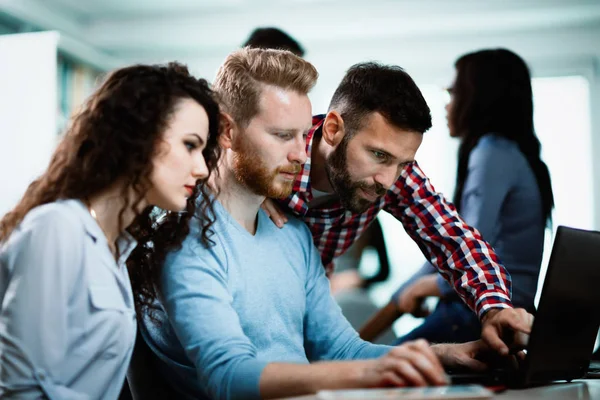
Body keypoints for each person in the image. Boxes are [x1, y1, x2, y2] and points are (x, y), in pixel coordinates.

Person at [137, 48, 489, 400]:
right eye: (281, 135)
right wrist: (369, 372)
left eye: (303, 134)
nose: (302, 153)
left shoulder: (294, 235)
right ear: (227, 132)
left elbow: (342, 351)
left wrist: (444, 355)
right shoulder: (183, 239)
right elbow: (228, 377)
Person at [261, 61, 534, 355]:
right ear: (332, 129)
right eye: (378, 154)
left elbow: (455, 240)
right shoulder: (268, 155)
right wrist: (241, 182)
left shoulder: (392, 176)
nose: (388, 180)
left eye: (402, 163)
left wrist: (494, 309)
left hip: (303, 312)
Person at [0, 62, 221, 399]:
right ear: (139, 136)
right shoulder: (58, 230)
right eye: (190, 145)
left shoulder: (118, 249)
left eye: (204, 152)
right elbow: (20, 389)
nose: (202, 167)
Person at [361, 49, 554, 345]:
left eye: (452, 92)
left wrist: (424, 287)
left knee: (384, 363)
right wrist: (411, 291)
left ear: (478, 98)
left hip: (478, 312)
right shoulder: (516, 156)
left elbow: (466, 248)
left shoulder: (491, 153)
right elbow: (445, 247)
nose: (446, 105)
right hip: (505, 309)